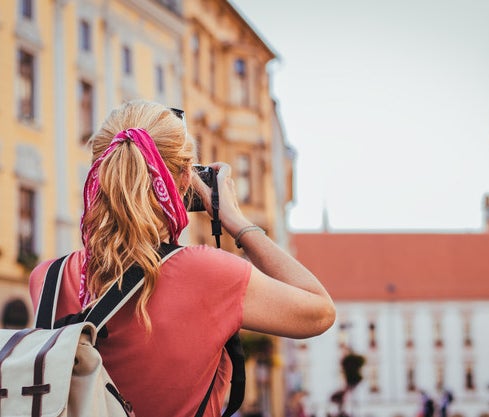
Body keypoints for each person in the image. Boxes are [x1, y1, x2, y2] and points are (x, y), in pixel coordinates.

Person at [28, 100, 336, 417]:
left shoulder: (46, 279)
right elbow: (320, 312)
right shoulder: (210, 274)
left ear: (99, 174)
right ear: (185, 181)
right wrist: (235, 220)